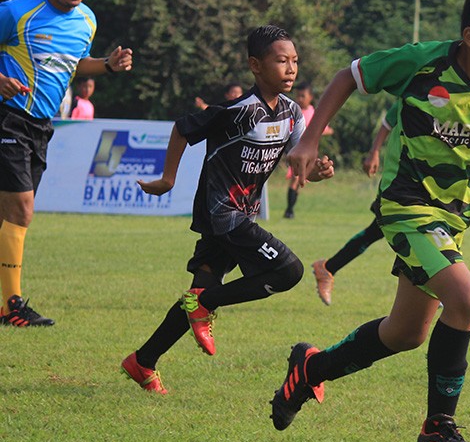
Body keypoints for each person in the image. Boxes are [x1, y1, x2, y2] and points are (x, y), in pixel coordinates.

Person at [271, 0, 470, 442]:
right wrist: (309, 140)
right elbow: (348, 76)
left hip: (453, 218)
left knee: (405, 333)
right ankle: (438, 428)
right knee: (465, 302)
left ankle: (310, 369)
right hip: (406, 206)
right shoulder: (422, 62)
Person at [120, 25, 334, 394]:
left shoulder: (291, 113)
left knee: (199, 290)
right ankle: (206, 304)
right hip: (223, 214)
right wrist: (168, 179)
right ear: (255, 65)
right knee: (289, 271)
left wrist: (317, 171)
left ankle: (143, 361)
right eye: (281, 61)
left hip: (242, 214)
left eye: (295, 61)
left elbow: (301, 164)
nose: (291, 69)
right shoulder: (241, 111)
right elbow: (183, 128)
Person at [0, 0, 134, 327]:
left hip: (41, 126)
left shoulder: (87, 20)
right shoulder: (16, 13)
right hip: (8, 118)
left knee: (7, 216)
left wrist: (107, 65)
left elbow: (73, 65)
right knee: (21, 209)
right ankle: (12, 306)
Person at [310, 103, 396, 305]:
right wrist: (374, 152)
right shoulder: (420, 91)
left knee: (377, 233)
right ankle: (438, 288)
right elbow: (388, 121)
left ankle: (328, 268)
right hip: (401, 184)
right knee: (405, 236)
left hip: (432, 188)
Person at [283, 82, 317, 218]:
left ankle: (290, 209)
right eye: (298, 96)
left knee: (298, 181)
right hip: (296, 151)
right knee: (296, 179)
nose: (300, 99)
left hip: (309, 153)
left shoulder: (313, 113)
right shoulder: (294, 111)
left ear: (310, 97)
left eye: (303, 96)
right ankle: (289, 210)